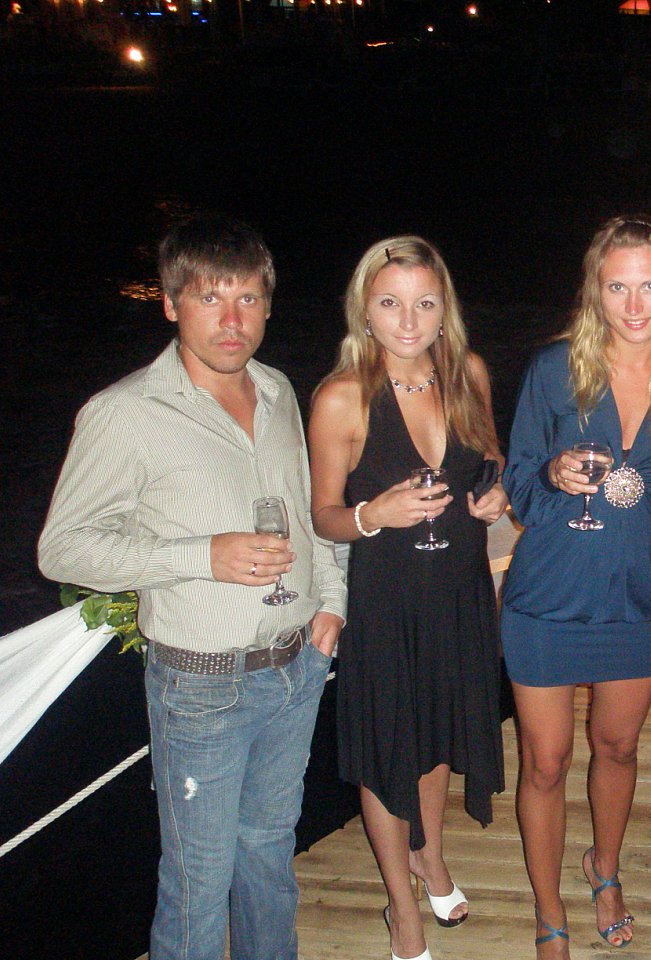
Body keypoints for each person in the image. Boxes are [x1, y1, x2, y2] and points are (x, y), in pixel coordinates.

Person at [38, 215, 347, 960]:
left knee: (270, 855)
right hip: (202, 686)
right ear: (172, 303)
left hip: (296, 667)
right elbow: (63, 549)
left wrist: (331, 600)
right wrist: (203, 556)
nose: (232, 320)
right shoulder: (124, 413)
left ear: (268, 305)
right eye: (210, 298)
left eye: (247, 299)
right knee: (197, 883)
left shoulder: (277, 390)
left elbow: (308, 512)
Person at [501, 215, 651, 957]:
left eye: (649, 286)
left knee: (619, 747)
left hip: (634, 594)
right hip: (546, 595)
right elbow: (519, 484)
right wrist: (550, 473)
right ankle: (548, 908)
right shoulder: (554, 369)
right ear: (595, 290)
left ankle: (605, 869)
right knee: (545, 762)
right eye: (617, 286)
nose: (633, 305)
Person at [307, 236, 508, 960]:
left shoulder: (468, 374)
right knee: (389, 748)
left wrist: (495, 496)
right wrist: (374, 515)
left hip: (459, 594)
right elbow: (322, 514)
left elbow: (491, 459)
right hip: (387, 603)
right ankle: (401, 905)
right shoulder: (342, 398)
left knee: (439, 738)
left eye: (425, 303)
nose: (409, 320)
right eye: (390, 303)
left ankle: (431, 856)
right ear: (364, 309)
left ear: (444, 308)